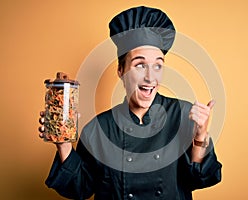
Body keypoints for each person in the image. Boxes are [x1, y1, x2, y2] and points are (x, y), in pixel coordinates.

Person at [39, 6, 222, 200]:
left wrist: (200, 137)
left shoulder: (183, 114)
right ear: (121, 71)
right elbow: (80, 189)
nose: (150, 77)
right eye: (140, 65)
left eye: (158, 65)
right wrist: (64, 144)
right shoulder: (98, 129)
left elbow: (203, 179)